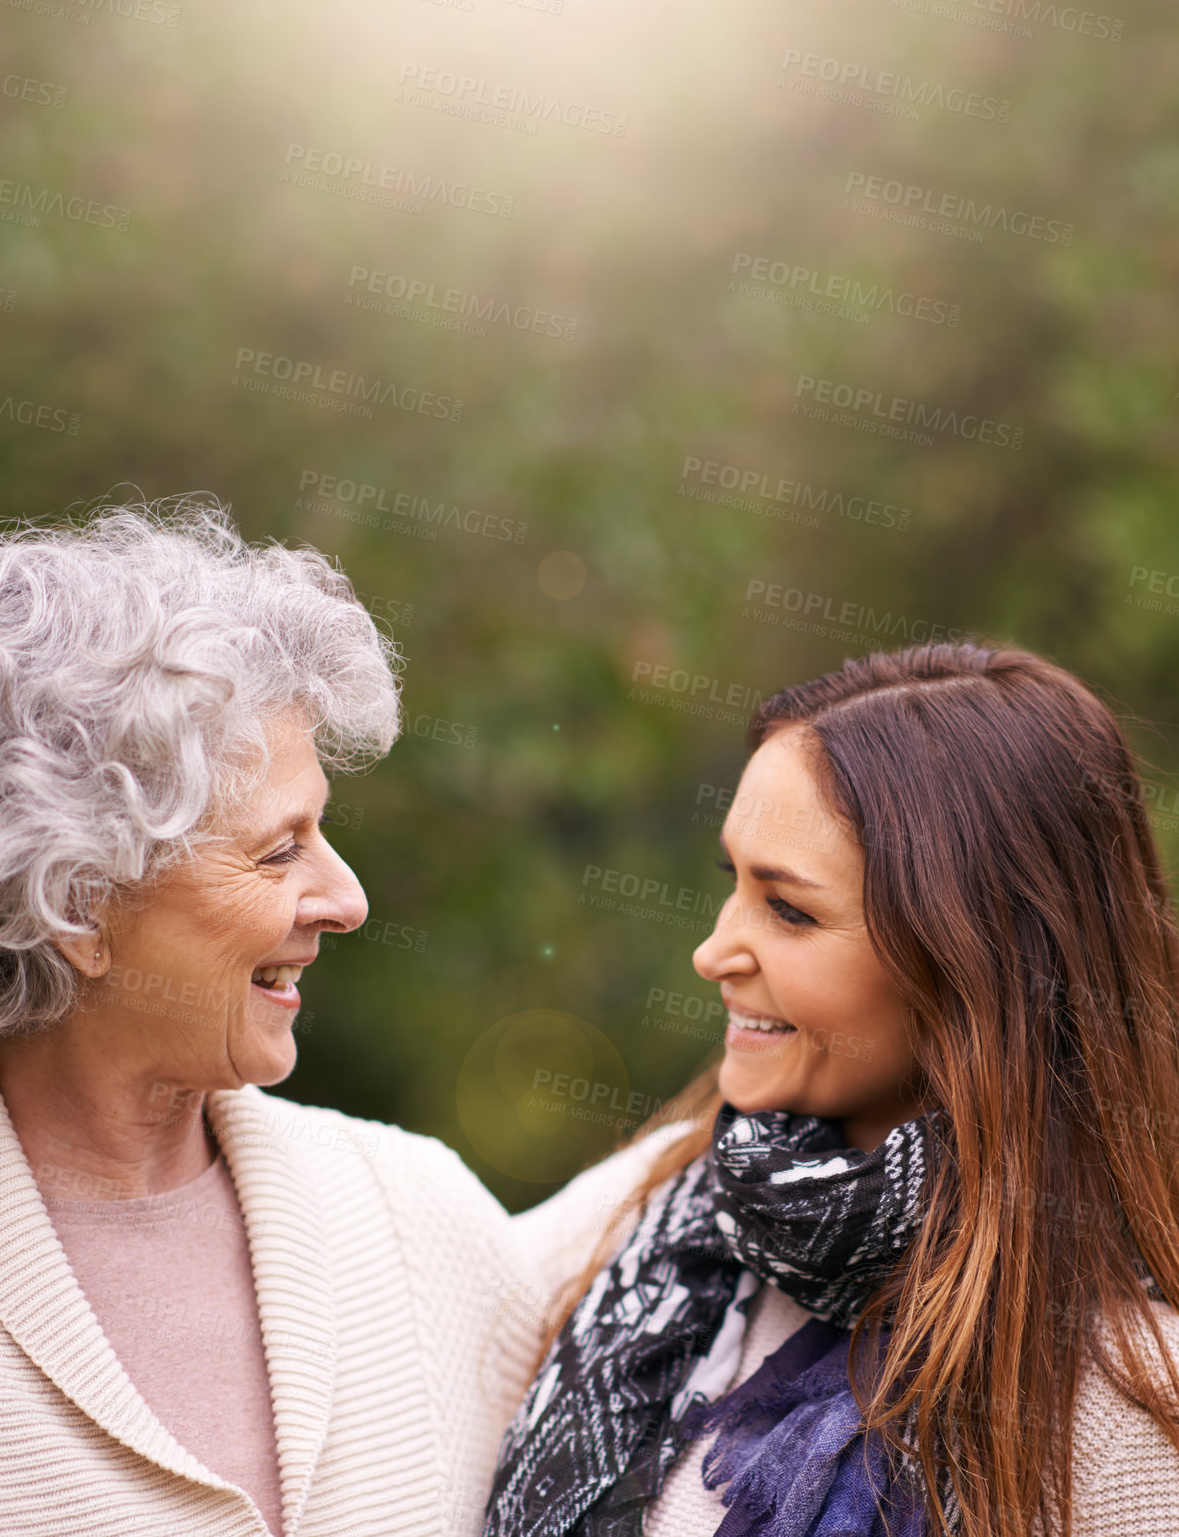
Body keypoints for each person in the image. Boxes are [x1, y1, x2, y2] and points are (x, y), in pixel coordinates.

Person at [0, 501, 542, 1535]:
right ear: (76, 903)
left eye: (325, 832)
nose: (347, 901)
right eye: (277, 850)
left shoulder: (419, 1216)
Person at [490, 642, 1179, 1537]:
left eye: (789, 909)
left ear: (974, 967)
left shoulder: (1135, 1413)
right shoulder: (654, 1205)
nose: (713, 952)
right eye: (731, 882)